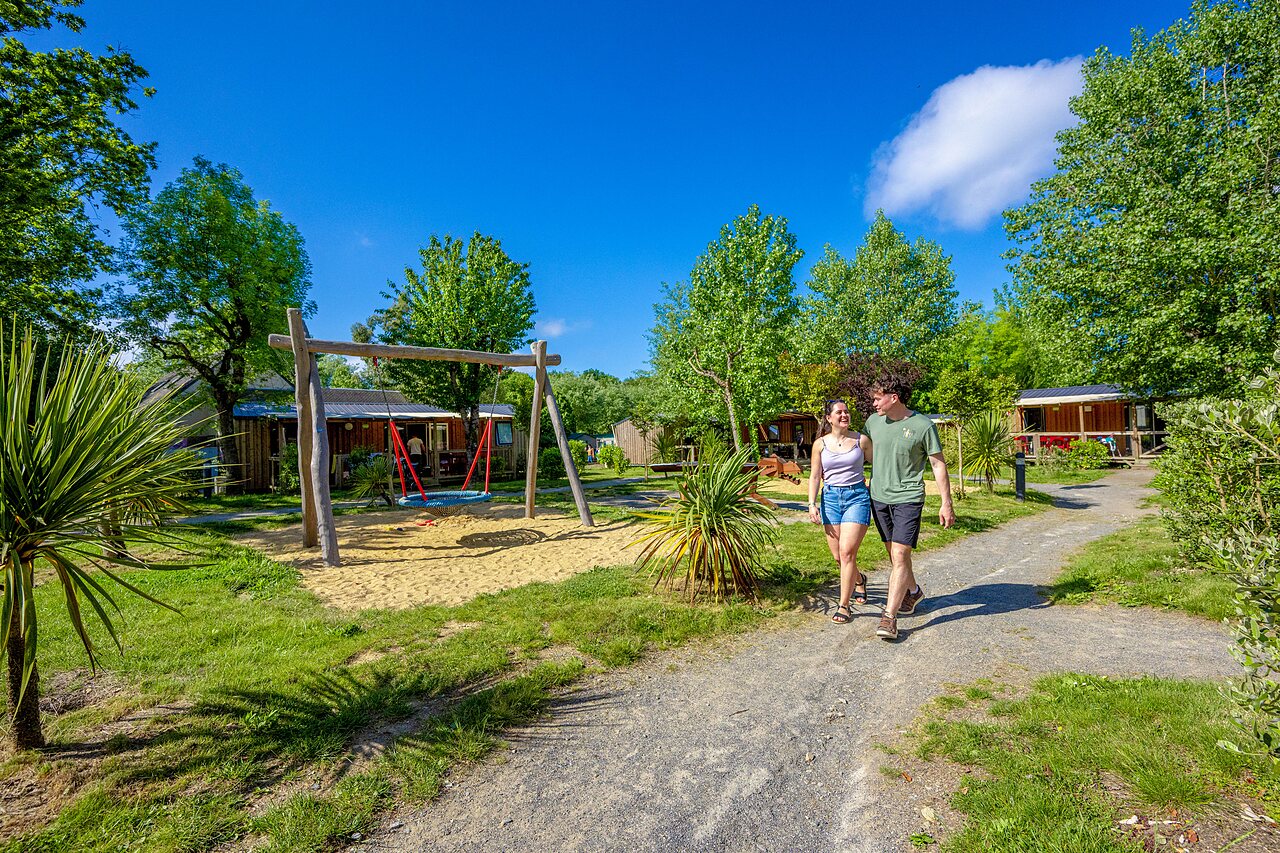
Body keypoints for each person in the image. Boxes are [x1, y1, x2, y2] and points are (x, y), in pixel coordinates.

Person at [862, 372, 955, 641]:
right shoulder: (873, 422)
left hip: (908, 497)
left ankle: (889, 617)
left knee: (900, 556)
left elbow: (938, 464)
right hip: (878, 496)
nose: (874, 404)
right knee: (894, 554)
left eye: (878, 399)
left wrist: (946, 503)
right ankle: (913, 592)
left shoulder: (923, 426)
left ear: (894, 397)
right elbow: (865, 448)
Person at [807, 398, 873, 624]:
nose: (844, 415)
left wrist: (872, 483)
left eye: (846, 412)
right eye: (839, 412)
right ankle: (859, 580)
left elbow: (878, 464)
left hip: (857, 497)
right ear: (829, 418)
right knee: (838, 556)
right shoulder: (820, 444)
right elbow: (815, 475)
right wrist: (811, 503)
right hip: (831, 499)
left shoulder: (861, 440)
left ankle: (844, 606)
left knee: (847, 553)